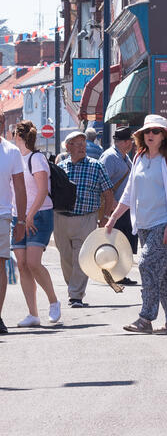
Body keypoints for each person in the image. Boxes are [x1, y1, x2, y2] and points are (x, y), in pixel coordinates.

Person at [105, 114, 167, 334]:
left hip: (165, 223)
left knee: (147, 265)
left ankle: (146, 318)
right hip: (143, 224)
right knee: (160, 272)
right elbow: (129, 191)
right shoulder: (139, 157)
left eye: (156, 131)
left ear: (164, 136)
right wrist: (113, 217)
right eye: (147, 132)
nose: (150, 135)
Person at [54, 128, 114, 308]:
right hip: (61, 218)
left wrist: (105, 216)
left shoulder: (96, 166)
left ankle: (76, 295)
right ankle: (73, 286)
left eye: (83, 144)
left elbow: (109, 193)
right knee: (65, 257)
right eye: (77, 144)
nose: (82, 147)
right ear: (68, 147)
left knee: (81, 257)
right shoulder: (61, 167)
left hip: (86, 218)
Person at [10, 121, 61, 326]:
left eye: (14, 133)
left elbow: (41, 192)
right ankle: (33, 314)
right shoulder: (14, 159)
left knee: (33, 263)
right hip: (17, 216)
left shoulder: (37, 159)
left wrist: (29, 215)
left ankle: (53, 301)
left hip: (39, 215)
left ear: (19, 136)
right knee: (21, 265)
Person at [99, 125, 138, 285]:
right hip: (115, 208)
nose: (131, 144)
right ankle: (114, 273)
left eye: (131, 141)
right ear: (120, 142)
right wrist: (112, 204)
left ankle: (120, 273)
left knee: (126, 242)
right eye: (128, 141)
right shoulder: (109, 157)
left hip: (126, 209)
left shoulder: (124, 157)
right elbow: (101, 183)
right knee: (115, 242)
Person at [0, 131, 27, 335]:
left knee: (0, 264)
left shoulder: (11, 151)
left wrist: (22, 220)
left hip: (2, 214)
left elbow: (19, 187)